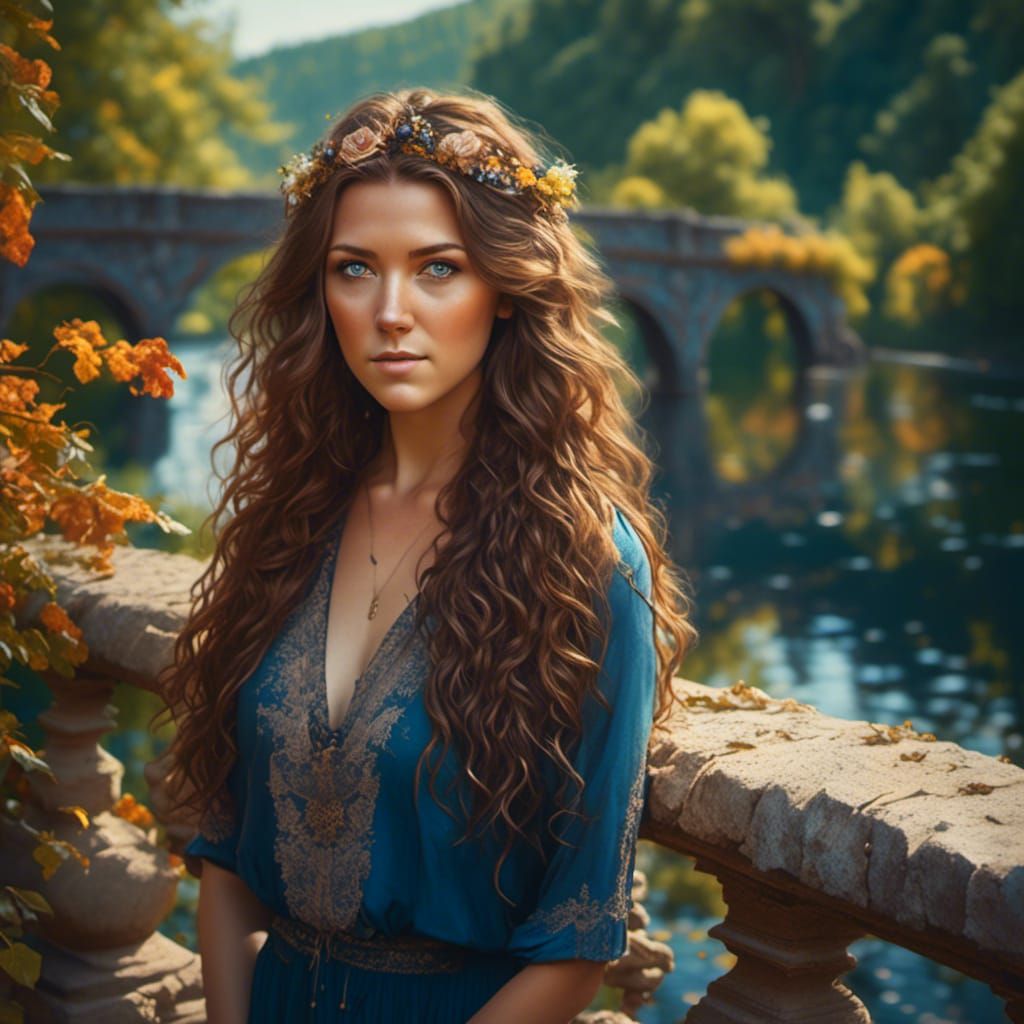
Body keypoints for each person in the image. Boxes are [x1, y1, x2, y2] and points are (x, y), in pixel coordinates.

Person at [157, 86, 697, 1023]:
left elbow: (578, 939)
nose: (390, 312)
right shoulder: (291, 520)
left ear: (506, 290)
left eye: (438, 268)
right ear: (320, 290)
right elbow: (226, 855)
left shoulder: (583, 561)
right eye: (354, 269)